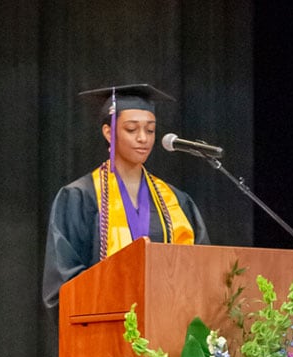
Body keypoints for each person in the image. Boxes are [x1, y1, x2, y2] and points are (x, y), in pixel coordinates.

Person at [42, 84, 210, 308]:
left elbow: (201, 269)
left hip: (169, 327)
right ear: (109, 133)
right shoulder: (80, 197)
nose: (143, 138)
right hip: (105, 327)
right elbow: (65, 280)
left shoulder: (177, 201)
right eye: (132, 129)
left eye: (150, 130)